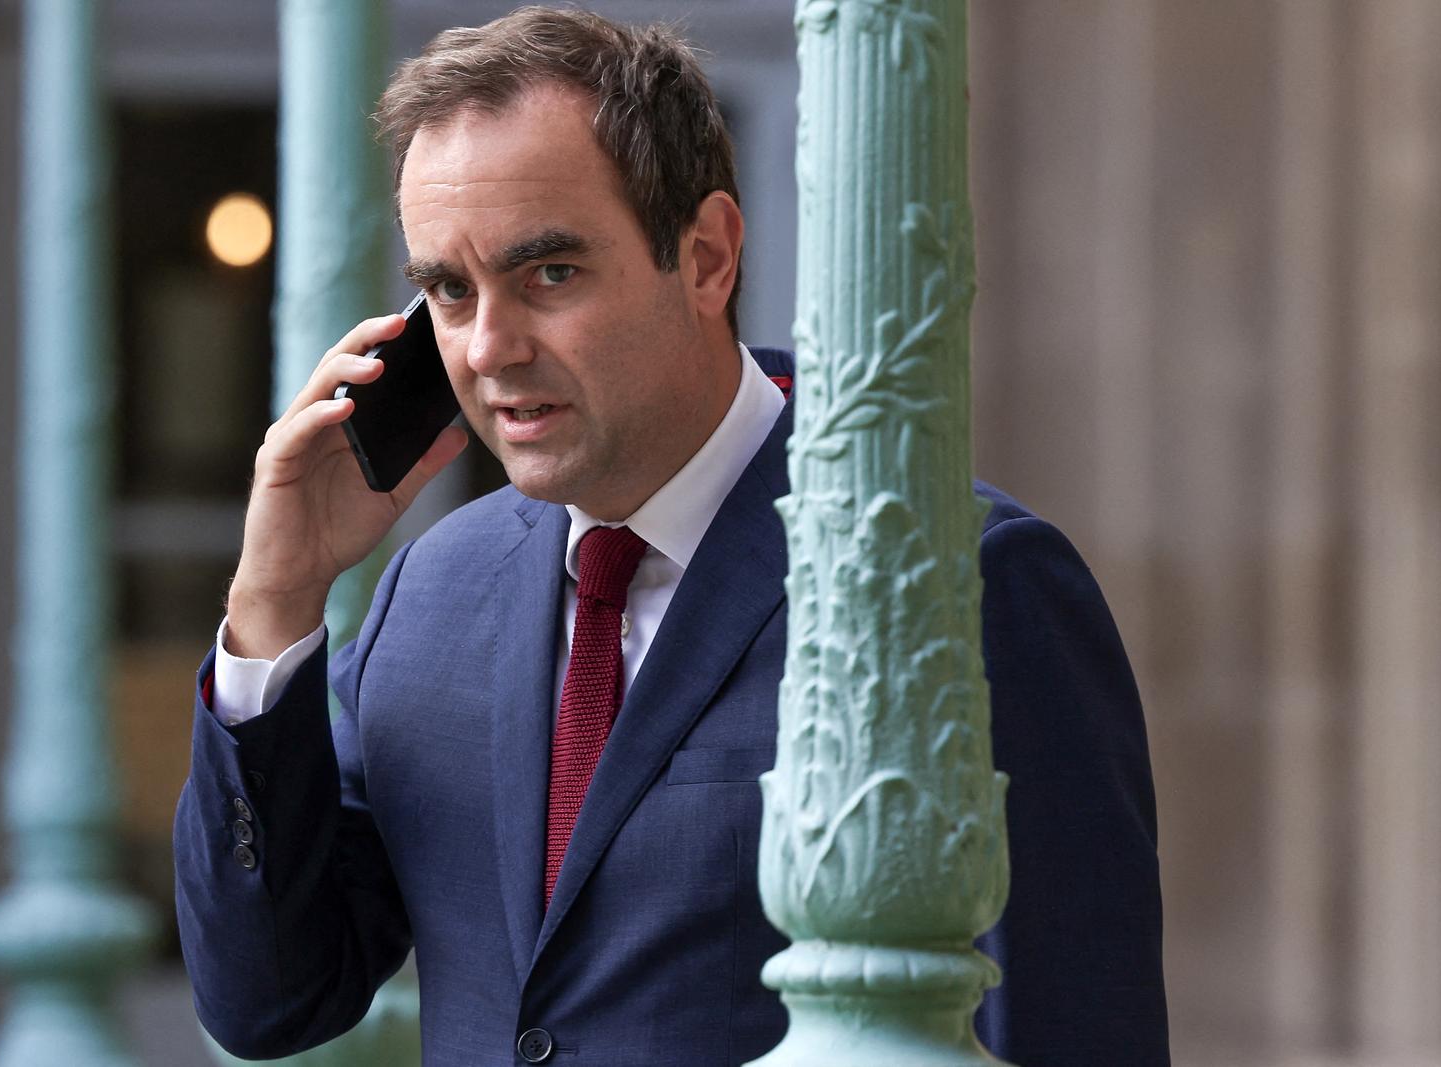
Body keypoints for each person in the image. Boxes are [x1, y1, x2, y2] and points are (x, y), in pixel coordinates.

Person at [172, 8, 1169, 1065]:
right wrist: (273, 602)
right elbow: (268, 1001)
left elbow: (1075, 1026)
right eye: (450, 291)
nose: (489, 347)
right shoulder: (434, 592)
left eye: (549, 273)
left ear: (706, 257)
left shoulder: (957, 575)